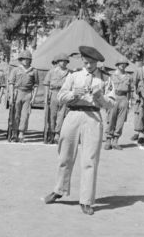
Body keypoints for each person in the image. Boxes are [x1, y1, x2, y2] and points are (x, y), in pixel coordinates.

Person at [44, 46, 115, 215]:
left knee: (90, 160)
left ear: (97, 62)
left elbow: (111, 104)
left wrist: (100, 97)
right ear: (82, 61)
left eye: (92, 63)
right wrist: (74, 94)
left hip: (93, 118)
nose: (89, 66)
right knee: (65, 155)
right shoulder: (73, 75)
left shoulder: (105, 78)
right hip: (73, 116)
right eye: (86, 62)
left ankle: (86, 200)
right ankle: (59, 190)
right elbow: (60, 97)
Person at [8, 50, 38, 142]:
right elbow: (11, 83)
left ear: (30, 60)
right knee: (15, 114)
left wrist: (33, 97)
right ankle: (14, 133)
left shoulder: (34, 71)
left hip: (27, 94)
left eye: (28, 59)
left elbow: (36, 85)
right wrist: (11, 96)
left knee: (25, 115)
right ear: (20, 60)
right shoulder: (15, 70)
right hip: (17, 93)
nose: (25, 61)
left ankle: (21, 133)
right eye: (23, 59)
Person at [104, 57, 133, 150]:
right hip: (114, 97)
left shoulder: (129, 77)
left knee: (120, 121)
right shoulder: (112, 76)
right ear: (117, 65)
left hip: (124, 98)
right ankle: (108, 140)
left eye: (125, 64)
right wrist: (107, 100)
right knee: (111, 119)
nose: (123, 65)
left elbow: (130, 91)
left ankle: (116, 140)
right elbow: (107, 89)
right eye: (121, 64)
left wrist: (129, 102)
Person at [43, 53, 71, 144]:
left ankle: (57, 134)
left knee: (62, 115)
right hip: (53, 93)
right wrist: (47, 95)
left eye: (65, 61)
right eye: (61, 61)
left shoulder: (69, 73)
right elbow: (46, 84)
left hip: (63, 94)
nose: (63, 63)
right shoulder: (52, 72)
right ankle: (51, 133)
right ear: (58, 62)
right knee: (52, 115)